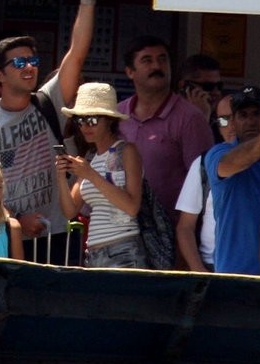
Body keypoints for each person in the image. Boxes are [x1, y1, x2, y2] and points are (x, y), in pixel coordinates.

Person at [0, 0, 104, 264]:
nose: (30, 67)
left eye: (33, 60)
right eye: (19, 63)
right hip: (2, 240)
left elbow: (76, 53)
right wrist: (17, 220)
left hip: (58, 237)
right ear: (0, 75)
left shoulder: (49, 102)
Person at [114, 36, 217, 216]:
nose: (156, 66)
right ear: (130, 72)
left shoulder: (190, 118)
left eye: (162, 59)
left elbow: (203, 183)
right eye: (147, 60)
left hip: (169, 234)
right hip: (118, 231)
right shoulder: (116, 115)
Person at [56, 81, 147, 269]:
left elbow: (131, 207)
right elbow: (70, 211)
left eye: (93, 120)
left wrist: (91, 175)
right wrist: (60, 176)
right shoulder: (90, 158)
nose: (85, 126)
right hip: (93, 254)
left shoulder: (126, 151)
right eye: (80, 120)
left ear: (110, 120)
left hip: (123, 249)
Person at [205, 87, 260, 276]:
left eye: (257, 114)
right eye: (243, 115)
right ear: (233, 122)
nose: (251, 121)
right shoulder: (218, 153)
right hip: (234, 274)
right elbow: (228, 165)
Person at [175, 94, 236, 271]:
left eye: (236, 117)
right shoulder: (203, 162)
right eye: (224, 120)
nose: (231, 126)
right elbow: (185, 227)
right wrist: (200, 273)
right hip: (210, 265)